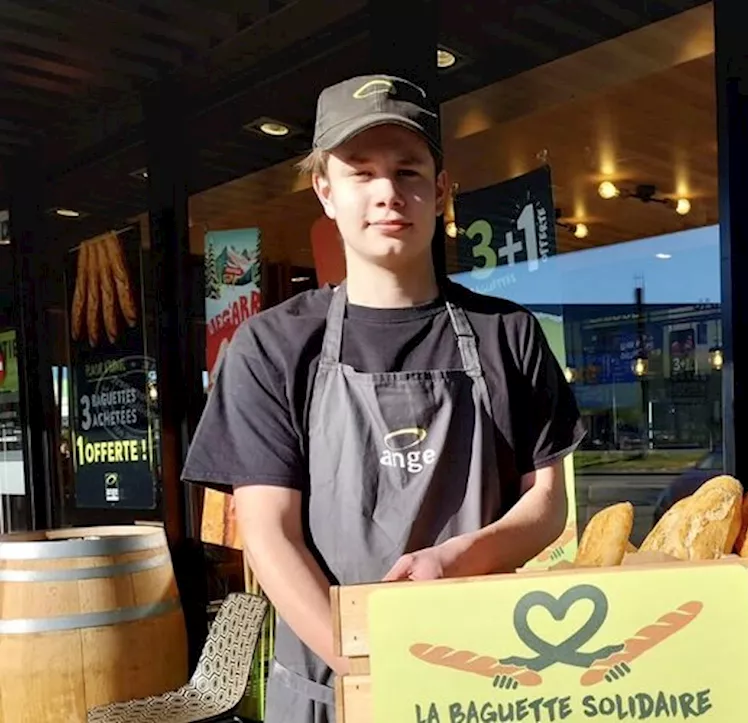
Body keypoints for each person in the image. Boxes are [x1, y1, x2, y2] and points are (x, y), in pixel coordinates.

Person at [182, 74, 585, 723]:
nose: (388, 193)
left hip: (481, 690)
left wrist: (457, 558)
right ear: (325, 190)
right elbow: (268, 533)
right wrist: (370, 666)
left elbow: (547, 503)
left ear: (441, 188)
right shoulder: (273, 346)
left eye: (408, 170)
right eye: (361, 172)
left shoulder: (507, 334)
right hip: (329, 693)